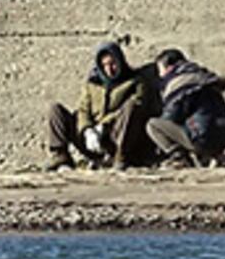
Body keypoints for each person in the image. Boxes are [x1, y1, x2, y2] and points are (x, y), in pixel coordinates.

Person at [46, 42, 152, 171]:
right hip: (91, 139)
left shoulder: (134, 82)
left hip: (115, 135)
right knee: (56, 109)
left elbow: (136, 103)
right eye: (105, 65)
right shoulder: (92, 84)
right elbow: (83, 110)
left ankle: (120, 158)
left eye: (113, 64)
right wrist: (87, 130)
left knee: (131, 108)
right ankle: (60, 156)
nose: (109, 69)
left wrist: (103, 126)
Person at [146, 49, 225, 168]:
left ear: (169, 68)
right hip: (224, 137)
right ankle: (212, 156)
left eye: (160, 70)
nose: (160, 75)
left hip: (202, 138)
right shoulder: (203, 78)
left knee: (153, 125)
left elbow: (171, 117)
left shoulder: (180, 83)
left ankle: (178, 158)